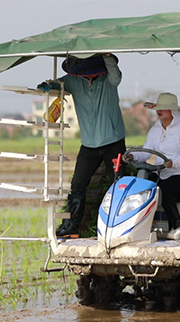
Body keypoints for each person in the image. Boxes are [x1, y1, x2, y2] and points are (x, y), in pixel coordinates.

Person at [37, 53, 125, 237]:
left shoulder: (109, 78)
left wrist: (108, 56)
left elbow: (117, 76)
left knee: (119, 184)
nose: (88, 74)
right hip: (88, 144)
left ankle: (119, 226)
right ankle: (71, 227)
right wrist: (47, 86)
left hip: (113, 141)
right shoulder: (73, 81)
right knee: (77, 185)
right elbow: (57, 85)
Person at [124, 92, 180, 240]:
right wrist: (132, 156)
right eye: (158, 108)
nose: (159, 111)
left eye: (163, 108)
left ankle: (177, 227)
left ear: (172, 111)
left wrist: (173, 163)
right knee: (141, 188)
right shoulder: (154, 130)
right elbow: (146, 152)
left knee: (166, 191)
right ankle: (139, 227)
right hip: (160, 173)